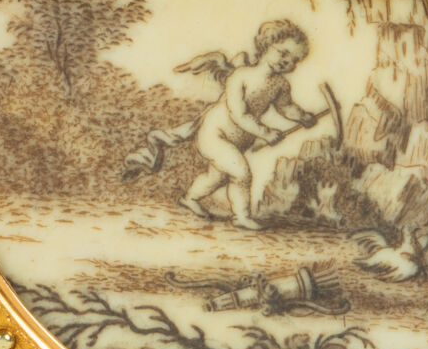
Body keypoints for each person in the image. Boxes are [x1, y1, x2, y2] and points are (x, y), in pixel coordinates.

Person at [122, 20, 320, 229]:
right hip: (215, 135)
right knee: (241, 173)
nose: (286, 61)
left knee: (215, 178)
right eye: (283, 53)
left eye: (293, 60)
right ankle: (241, 216)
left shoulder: (281, 84)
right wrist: (265, 132)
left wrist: (303, 117)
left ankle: (190, 198)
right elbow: (238, 114)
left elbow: (287, 107)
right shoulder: (240, 76)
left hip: (239, 140)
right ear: (266, 45)